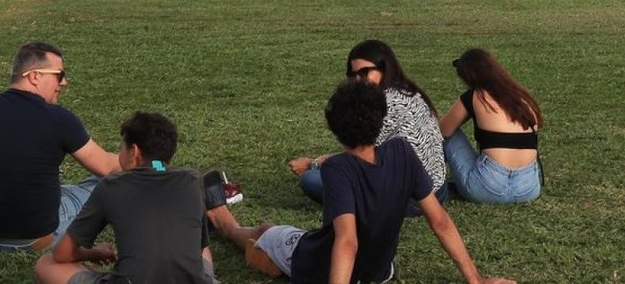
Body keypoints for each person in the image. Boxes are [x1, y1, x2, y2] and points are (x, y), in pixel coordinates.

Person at [207, 79, 515, 284]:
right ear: (381, 119)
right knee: (288, 235)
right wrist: (475, 280)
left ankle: (223, 221)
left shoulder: (338, 168)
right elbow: (440, 221)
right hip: (379, 271)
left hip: (321, 267)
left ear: (335, 128)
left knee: (267, 230)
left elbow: (347, 242)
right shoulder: (402, 151)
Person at [0, 41, 120, 252]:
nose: (64, 82)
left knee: (65, 189)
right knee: (107, 183)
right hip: (34, 239)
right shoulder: (58, 118)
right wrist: (151, 163)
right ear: (35, 76)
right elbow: (107, 167)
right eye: (59, 75)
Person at [35, 111, 217, 284]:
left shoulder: (111, 186)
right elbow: (199, 248)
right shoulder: (192, 181)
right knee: (200, 250)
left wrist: (94, 253)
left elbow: (62, 253)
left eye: (121, 147)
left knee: (46, 264)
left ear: (134, 151)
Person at [289, 40, 446, 208]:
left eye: (364, 72)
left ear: (384, 68)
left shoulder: (387, 104)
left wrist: (313, 164)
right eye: (353, 75)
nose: (358, 80)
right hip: (439, 189)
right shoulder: (407, 91)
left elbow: (362, 157)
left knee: (312, 180)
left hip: (414, 198)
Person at [437, 48, 542, 204]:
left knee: (450, 133)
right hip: (528, 190)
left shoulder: (476, 96)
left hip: (486, 188)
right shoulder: (521, 98)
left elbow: (443, 131)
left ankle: (428, 180)